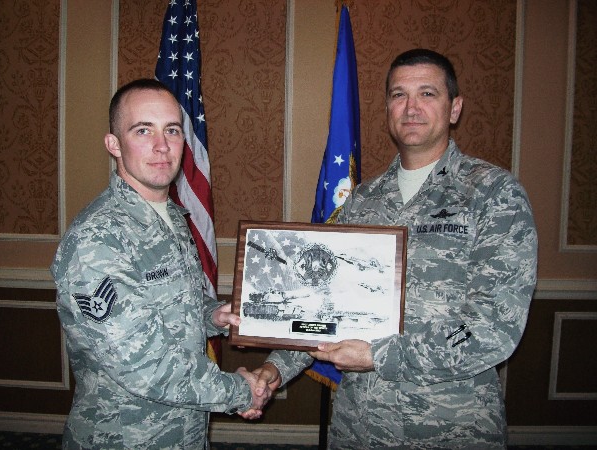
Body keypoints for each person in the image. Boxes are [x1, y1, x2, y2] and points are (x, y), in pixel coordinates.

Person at [251, 49, 538, 449]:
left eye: (427, 94)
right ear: (387, 107)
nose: (411, 107)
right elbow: (324, 307)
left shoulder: (493, 195)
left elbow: (494, 328)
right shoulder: (362, 201)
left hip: (451, 427)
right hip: (359, 425)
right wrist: (276, 368)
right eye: (399, 95)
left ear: (454, 108)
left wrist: (379, 356)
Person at [51, 78, 270, 449]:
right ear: (114, 144)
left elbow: (172, 305)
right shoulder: (97, 240)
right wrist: (240, 392)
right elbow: (144, 364)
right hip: (124, 437)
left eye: (172, 130)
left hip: (183, 431)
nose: (161, 146)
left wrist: (212, 315)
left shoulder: (170, 215)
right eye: (142, 130)